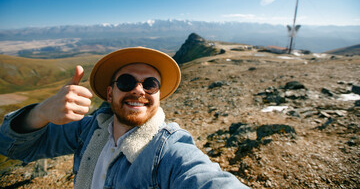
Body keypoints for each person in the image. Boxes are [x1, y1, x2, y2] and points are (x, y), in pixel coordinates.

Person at [0, 47, 249, 188]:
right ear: (110, 93)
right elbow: (12, 145)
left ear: (158, 95)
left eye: (150, 84)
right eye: (127, 81)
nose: (138, 90)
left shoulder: (169, 149)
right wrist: (42, 111)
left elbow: (206, 179)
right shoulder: (86, 130)